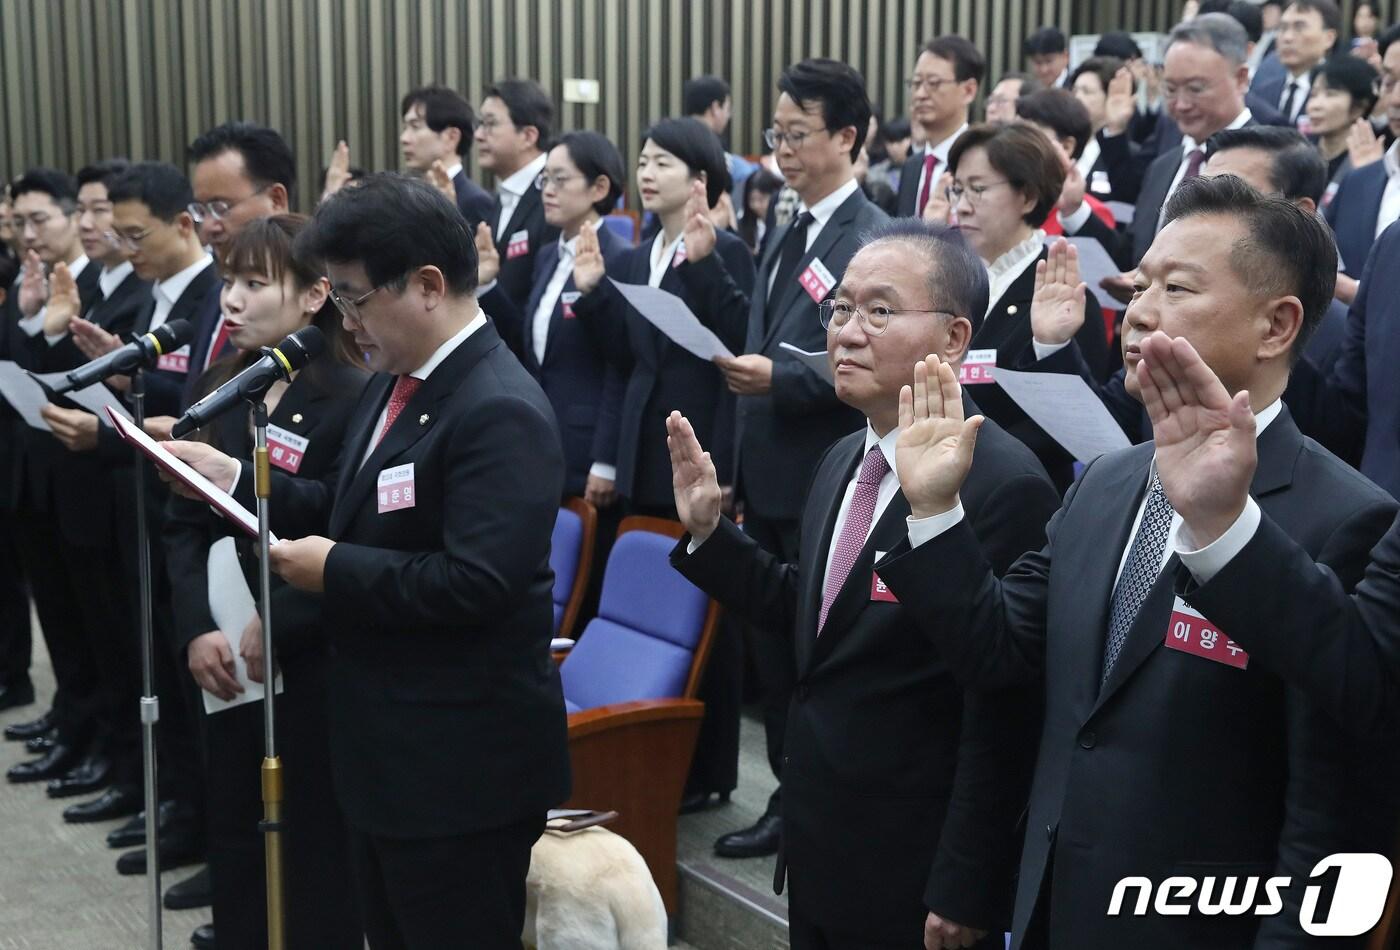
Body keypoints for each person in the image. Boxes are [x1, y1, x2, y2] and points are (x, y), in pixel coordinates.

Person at [878, 174, 1397, 948]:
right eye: (1143, 282)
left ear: (1277, 325)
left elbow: (1325, 816)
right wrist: (935, 511)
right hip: (1052, 907)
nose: (1140, 311)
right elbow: (1000, 656)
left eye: (1179, 288)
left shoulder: (1345, 518)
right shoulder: (1109, 480)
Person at [165, 174, 570, 949]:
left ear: (426, 286)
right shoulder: (398, 381)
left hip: (459, 772)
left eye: (351, 300)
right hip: (386, 753)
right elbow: (353, 507)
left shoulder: (497, 408)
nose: (342, 323)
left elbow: (476, 582)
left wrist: (334, 570)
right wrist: (243, 482)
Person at [667, 218, 1058, 950]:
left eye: (879, 311)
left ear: (953, 338)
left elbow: (1000, 699)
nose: (846, 332)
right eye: (841, 309)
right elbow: (815, 618)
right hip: (821, 840)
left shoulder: (1002, 481)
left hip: (914, 864)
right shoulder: (845, 456)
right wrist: (712, 536)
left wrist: (968, 881)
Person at [677, 57, 889, 856]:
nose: (783, 149)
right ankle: (785, 799)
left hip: (823, 472)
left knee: (814, 649)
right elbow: (762, 340)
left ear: (845, 136)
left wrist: (785, 375)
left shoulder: (867, 236)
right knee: (771, 642)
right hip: (762, 473)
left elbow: (862, 358)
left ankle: (810, 805)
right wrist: (706, 268)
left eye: (798, 134)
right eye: (777, 133)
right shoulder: (787, 221)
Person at [163, 214, 366, 949]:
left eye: (255, 283)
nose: (232, 300)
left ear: (315, 296)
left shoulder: (353, 394)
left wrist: (278, 617)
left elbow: (350, 530)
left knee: (312, 839)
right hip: (227, 659)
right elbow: (182, 525)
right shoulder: (224, 389)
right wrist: (195, 627)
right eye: (226, 283)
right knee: (236, 826)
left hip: (308, 658)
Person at [31, 160, 154, 826]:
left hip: (123, 492)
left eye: (100, 209)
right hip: (82, 487)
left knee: (130, 649)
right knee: (101, 641)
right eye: (82, 209)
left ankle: (135, 771)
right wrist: (43, 325)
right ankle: (107, 750)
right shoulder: (91, 287)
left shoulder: (139, 291)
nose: (90, 222)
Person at [3, 168, 105, 788]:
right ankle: (70, 718)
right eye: (18, 223)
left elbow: (78, 384)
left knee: (96, 625)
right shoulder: (33, 280)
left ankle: (95, 735)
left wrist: (49, 323)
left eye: (40, 220)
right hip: (35, 471)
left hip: (86, 476)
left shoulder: (92, 284)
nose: (27, 234)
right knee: (62, 619)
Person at [941, 123, 1109, 488]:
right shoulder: (951, 279)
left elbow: (1070, 428)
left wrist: (964, 451)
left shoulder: (1064, 295)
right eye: (957, 189)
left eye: (978, 189)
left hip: (1019, 493)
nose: (962, 207)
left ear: (1029, 197)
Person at [474, 130, 630, 508]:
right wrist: (488, 286)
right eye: (545, 179)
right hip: (541, 436)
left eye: (561, 179)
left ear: (599, 187)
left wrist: (607, 460)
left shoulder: (620, 258)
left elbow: (621, 363)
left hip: (587, 447)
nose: (547, 190)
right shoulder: (548, 256)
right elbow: (528, 344)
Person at [474, 78, 560, 310]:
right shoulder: (505, 193)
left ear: (528, 136)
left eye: (490, 124)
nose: (479, 135)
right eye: (479, 124)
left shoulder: (555, 196)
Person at [897, 36, 982, 218]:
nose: (920, 94)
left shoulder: (982, 163)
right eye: (916, 83)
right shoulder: (912, 166)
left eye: (933, 83)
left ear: (968, 90)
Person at [399, 84, 495, 227]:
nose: (404, 138)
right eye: (405, 127)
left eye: (415, 126)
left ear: (451, 137)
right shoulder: (408, 197)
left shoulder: (475, 201)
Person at [1250, 0, 1341, 126]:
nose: (1287, 37)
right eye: (1282, 28)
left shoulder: (1339, 95)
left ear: (1328, 38)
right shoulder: (1261, 94)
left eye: (1299, 27)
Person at [684, 74, 759, 210]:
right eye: (727, 108)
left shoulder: (672, 141)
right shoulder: (713, 147)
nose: (728, 116)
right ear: (715, 108)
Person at [1306, 54, 1382, 187]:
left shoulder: (1373, 161)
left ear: (1358, 107)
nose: (1315, 105)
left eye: (1330, 95)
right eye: (1313, 95)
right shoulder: (1300, 153)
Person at [1069, 56, 1127, 198]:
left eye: (1086, 92)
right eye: (1075, 91)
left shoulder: (1124, 155)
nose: (1077, 97)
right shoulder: (1066, 147)